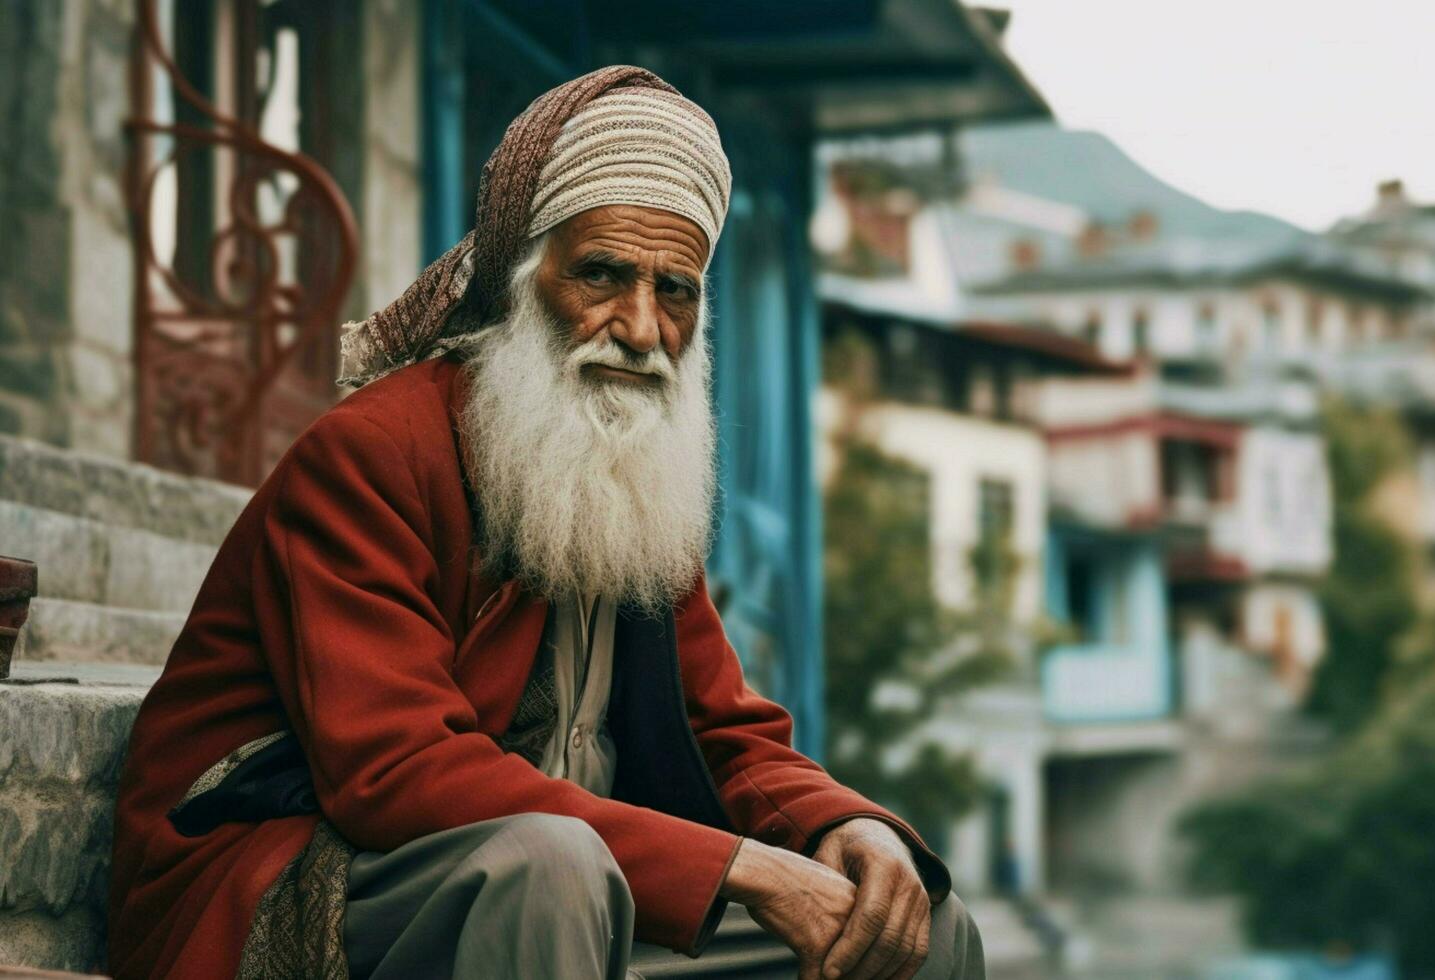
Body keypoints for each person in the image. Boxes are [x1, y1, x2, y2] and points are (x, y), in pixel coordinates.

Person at [108, 65, 983, 980]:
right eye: (602, 274)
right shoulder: (369, 455)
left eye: (675, 290)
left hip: (568, 880)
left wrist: (843, 825)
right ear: (523, 281)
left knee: (916, 923)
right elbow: (397, 772)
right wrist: (736, 867)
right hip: (287, 871)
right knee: (550, 868)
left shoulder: (626, 472)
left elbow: (723, 729)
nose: (642, 329)